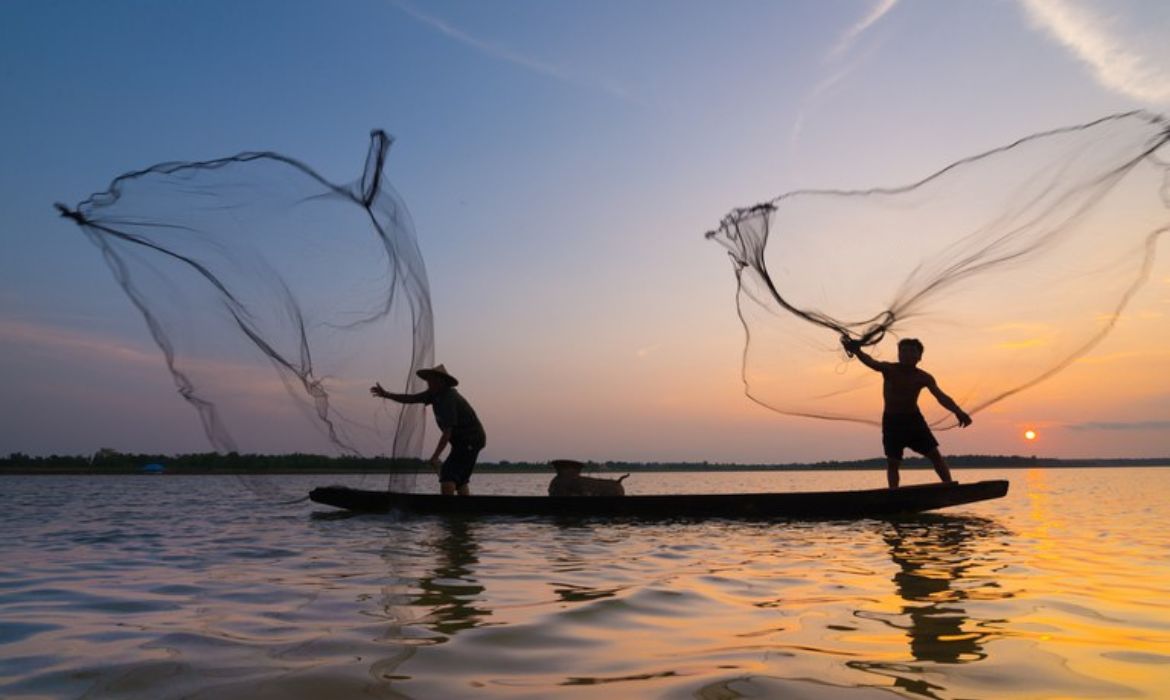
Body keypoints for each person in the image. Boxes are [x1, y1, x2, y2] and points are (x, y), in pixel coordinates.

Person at [841, 336, 972, 488]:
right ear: (898, 354)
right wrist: (857, 351)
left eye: (911, 352)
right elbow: (871, 362)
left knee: (935, 455)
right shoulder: (889, 369)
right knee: (893, 461)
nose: (907, 355)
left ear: (919, 357)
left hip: (914, 421)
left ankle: (949, 487)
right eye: (903, 351)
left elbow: (941, 396)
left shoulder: (924, 377)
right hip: (892, 422)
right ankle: (894, 494)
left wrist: (958, 411)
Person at [370, 364, 486, 496]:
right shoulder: (434, 394)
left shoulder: (448, 398)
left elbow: (447, 433)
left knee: (448, 475)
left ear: (440, 381)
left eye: (431, 379)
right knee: (460, 479)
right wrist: (386, 394)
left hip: (470, 439)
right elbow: (411, 398)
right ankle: (464, 512)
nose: (428, 382)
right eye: (427, 380)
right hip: (465, 442)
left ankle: (448, 512)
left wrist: (435, 456)